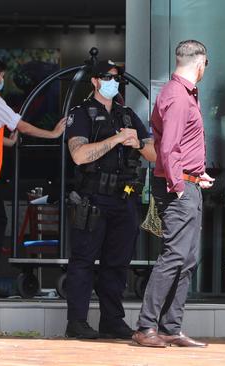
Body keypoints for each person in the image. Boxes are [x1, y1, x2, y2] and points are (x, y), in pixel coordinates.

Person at [64, 59, 156, 339]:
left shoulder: (126, 114)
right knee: (83, 261)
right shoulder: (81, 113)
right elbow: (78, 155)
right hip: (92, 198)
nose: (113, 82)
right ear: (94, 80)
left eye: (117, 78)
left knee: (117, 263)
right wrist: (115, 140)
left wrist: (138, 144)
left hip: (124, 198)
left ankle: (112, 320)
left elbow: (155, 154)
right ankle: (77, 322)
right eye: (108, 76)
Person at [132, 40, 214, 348]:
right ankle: (145, 327)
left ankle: (170, 327)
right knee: (174, 256)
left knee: (187, 258)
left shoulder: (181, 93)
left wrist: (196, 174)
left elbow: (179, 146)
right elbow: (167, 148)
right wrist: (180, 186)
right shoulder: (178, 97)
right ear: (200, 63)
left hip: (188, 183)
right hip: (177, 188)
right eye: (206, 64)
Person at [0, 56, 65, 298]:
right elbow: (22, 125)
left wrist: (6, 141)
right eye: (2, 77)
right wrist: (52, 134)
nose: (3, 81)